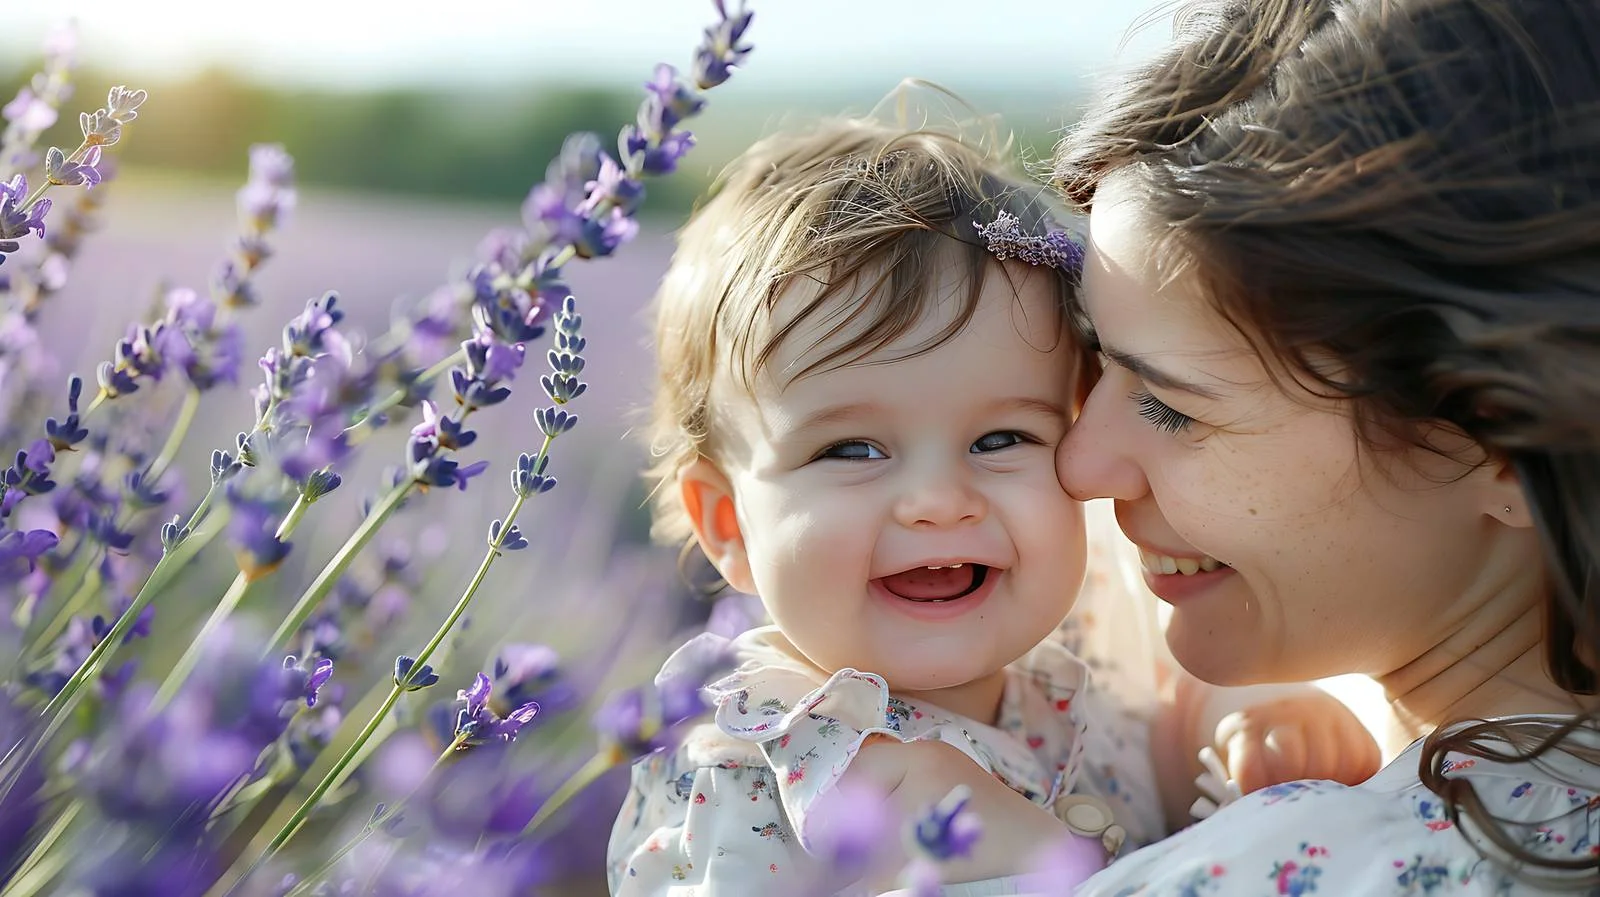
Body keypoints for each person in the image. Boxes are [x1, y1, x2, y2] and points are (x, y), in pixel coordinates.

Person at [606, 107, 1378, 897]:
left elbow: (1158, 754)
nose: (940, 502)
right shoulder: (750, 773)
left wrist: (1240, 725)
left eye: (1002, 438)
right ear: (727, 523)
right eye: (852, 449)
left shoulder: (1071, 680)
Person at [1043, 0, 1600, 892]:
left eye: (1172, 407)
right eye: (1096, 365)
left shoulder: (1336, 863)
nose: (1077, 465)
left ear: (1507, 441)